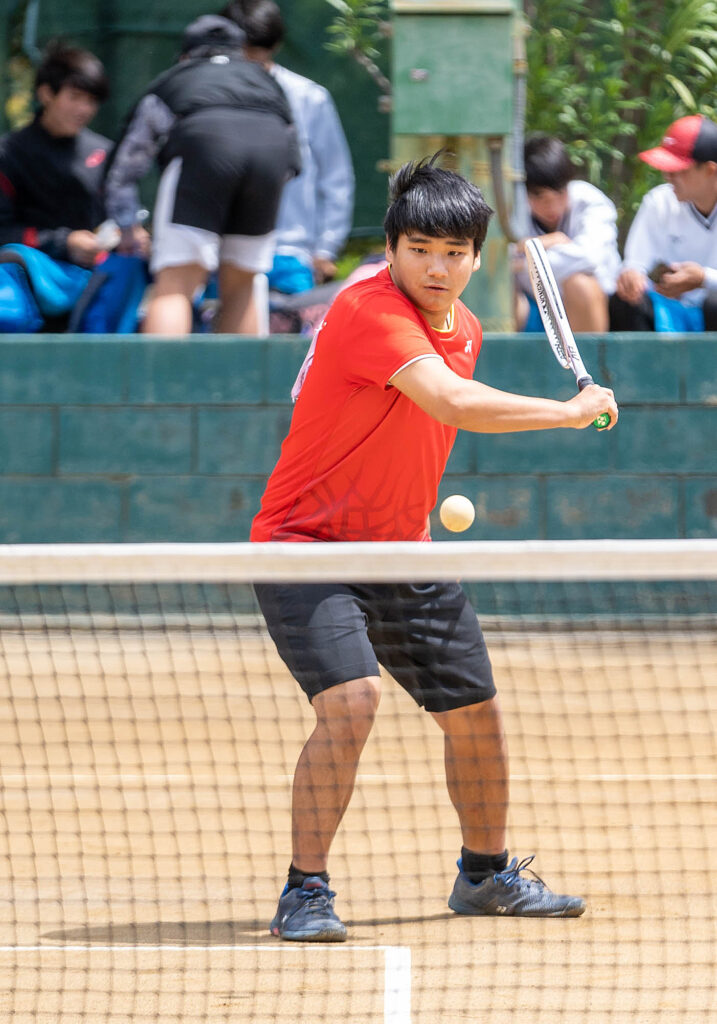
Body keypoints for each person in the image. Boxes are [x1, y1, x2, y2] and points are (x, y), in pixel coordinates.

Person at [250, 155, 618, 942]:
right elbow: (449, 402)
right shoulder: (367, 308)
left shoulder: (468, 330)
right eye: (419, 249)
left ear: (477, 258)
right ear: (390, 249)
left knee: (477, 715)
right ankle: (304, 890)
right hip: (306, 548)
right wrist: (568, 411)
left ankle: (486, 875)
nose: (436, 267)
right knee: (351, 703)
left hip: (402, 550)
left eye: (453, 253)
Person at [104, 14, 301, 335]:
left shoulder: (175, 80)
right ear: (241, 52)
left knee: (177, 281)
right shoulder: (265, 80)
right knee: (243, 280)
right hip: (270, 162)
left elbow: (126, 162)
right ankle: (240, 370)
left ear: (186, 56)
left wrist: (127, 225)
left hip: (204, 152)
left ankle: (163, 370)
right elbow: (293, 157)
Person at [221, 0, 354, 295]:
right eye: (245, 51)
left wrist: (326, 248)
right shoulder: (211, 96)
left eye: (259, 51)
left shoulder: (308, 97)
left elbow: (336, 177)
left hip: (291, 254)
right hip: (224, 251)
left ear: (276, 45)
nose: (251, 61)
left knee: (295, 325)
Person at [0, 42, 116, 269]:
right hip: (25, 275)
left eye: (91, 101)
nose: (84, 109)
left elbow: (115, 218)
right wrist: (64, 242)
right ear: (46, 94)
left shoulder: (104, 151)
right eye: (75, 97)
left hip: (97, 274)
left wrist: (128, 235)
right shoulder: (8, 154)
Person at [610, 115, 717, 332]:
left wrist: (704, 279)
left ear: (709, 170)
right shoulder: (659, 202)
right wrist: (632, 277)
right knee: (624, 302)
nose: (668, 176)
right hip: (671, 310)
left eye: (679, 170)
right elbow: (636, 263)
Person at [513, 134, 620, 333]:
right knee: (503, 291)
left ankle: (588, 355)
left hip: (595, 313)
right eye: (540, 196)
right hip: (534, 309)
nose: (552, 206)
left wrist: (527, 254)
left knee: (580, 285)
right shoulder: (514, 208)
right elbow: (493, 261)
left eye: (560, 193)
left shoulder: (591, 202)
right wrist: (552, 242)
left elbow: (589, 257)